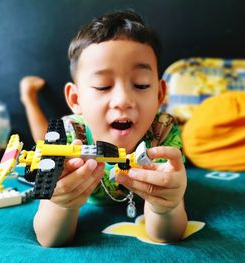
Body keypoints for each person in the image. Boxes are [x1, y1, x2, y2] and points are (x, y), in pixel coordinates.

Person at [20, 10, 188, 247]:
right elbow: (50, 239)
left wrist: (167, 207)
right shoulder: (71, 135)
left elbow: (167, 235)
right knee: (44, 141)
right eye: (102, 86)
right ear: (76, 100)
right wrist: (61, 203)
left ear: (160, 94)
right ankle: (29, 97)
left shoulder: (162, 132)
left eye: (141, 84)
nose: (122, 100)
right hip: (70, 133)